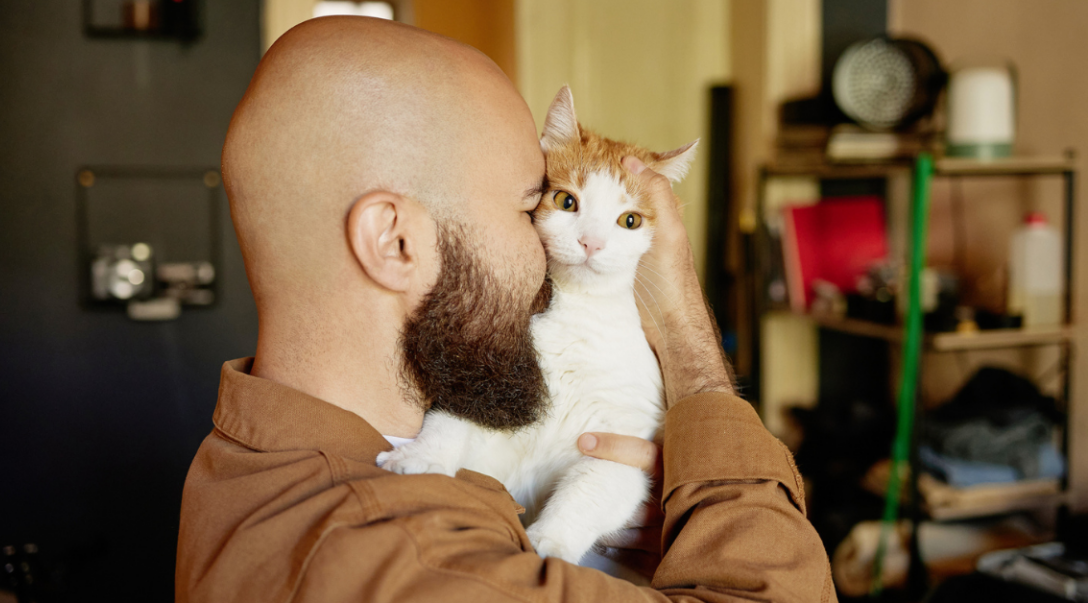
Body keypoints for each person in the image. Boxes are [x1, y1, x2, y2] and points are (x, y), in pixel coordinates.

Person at [175, 15, 835, 603]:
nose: (552, 244)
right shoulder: (429, 566)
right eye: (530, 206)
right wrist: (684, 324)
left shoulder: (242, 463)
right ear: (396, 241)